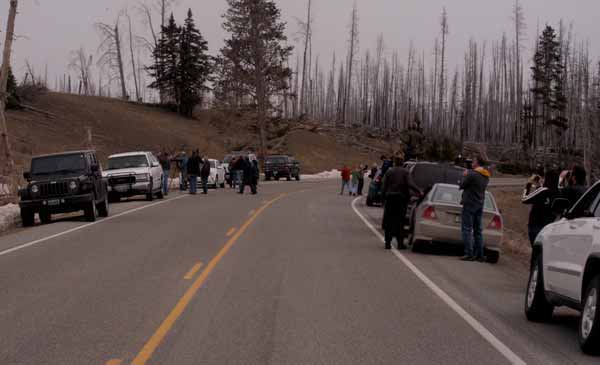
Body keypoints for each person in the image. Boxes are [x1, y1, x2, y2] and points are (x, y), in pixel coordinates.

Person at [381, 157, 422, 250]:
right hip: (401, 199)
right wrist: (419, 191)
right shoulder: (405, 172)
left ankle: (387, 243)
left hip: (390, 199)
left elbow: (384, 186)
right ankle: (400, 243)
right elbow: (410, 183)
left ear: (395, 162)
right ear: (402, 162)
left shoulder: (389, 172)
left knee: (389, 221)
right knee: (400, 222)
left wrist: (382, 199)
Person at [459, 156, 491, 262]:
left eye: (474, 161)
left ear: (477, 163)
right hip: (479, 204)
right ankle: (480, 255)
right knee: (478, 230)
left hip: (469, 203)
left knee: (467, 229)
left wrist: (464, 175)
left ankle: (469, 253)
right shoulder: (486, 175)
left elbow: (462, 185)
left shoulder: (472, 174)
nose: (472, 162)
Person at [522, 169, 560, 247]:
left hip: (535, 225)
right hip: (549, 227)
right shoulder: (558, 192)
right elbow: (543, 198)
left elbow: (524, 199)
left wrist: (528, 184)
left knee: (536, 251)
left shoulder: (542, 190)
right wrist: (538, 186)